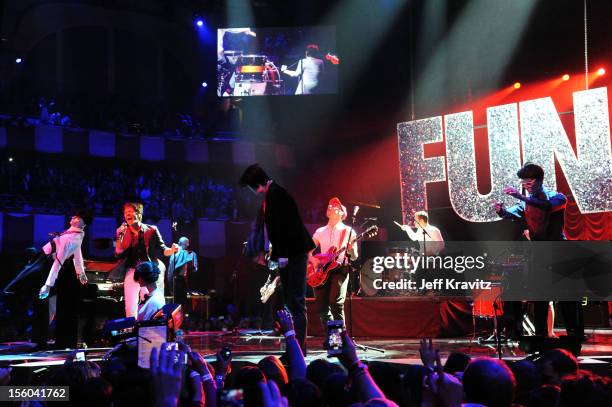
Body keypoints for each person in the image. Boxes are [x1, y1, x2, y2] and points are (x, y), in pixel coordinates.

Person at [494, 163, 583, 339]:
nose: (526, 185)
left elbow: (547, 206)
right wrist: (502, 211)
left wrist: (521, 196)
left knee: (566, 296)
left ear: (539, 181)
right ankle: (541, 336)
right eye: (523, 182)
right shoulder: (525, 203)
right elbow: (512, 213)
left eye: (529, 182)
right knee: (540, 297)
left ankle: (574, 335)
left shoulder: (558, 197)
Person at [239, 164, 315, 351]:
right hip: (291, 252)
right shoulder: (273, 194)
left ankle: (298, 349)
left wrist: (283, 255)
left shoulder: (277, 194)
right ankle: (294, 348)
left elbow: (287, 227)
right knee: (291, 302)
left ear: (257, 183)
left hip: (294, 253)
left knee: (296, 301)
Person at [37, 211, 92, 348]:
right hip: (42, 260)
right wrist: (80, 272)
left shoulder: (72, 237)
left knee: (46, 305)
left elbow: (58, 261)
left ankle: (42, 340)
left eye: (77, 217)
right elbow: (78, 252)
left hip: (43, 264)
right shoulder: (76, 234)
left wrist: (48, 285)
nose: (72, 217)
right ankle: (43, 339)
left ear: (82, 222)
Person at [115, 202, 178, 318]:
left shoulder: (151, 230)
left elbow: (163, 249)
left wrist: (172, 250)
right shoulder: (124, 232)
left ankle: (150, 327)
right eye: (125, 213)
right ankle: (131, 330)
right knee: (130, 306)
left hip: (148, 271)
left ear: (138, 213)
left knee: (150, 302)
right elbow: (118, 254)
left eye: (130, 212)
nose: (127, 214)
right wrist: (118, 237)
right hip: (132, 270)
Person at [310, 197, 358, 332]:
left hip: (340, 269)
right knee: (321, 307)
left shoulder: (348, 231)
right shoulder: (320, 231)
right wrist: (314, 261)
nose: (331, 206)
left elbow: (354, 256)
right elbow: (308, 251)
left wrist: (351, 249)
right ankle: (333, 338)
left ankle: (341, 341)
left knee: (335, 303)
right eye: (330, 205)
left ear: (342, 213)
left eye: (336, 205)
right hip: (322, 271)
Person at [167, 236, 198, 316]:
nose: (188, 246)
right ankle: (180, 319)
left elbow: (170, 272)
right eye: (187, 244)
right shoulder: (187, 253)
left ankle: (177, 319)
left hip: (175, 280)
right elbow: (194, 269)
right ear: (185, 244)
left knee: (177, 303)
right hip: (179, 281)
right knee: (181, 303)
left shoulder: (173, 254)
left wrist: (170, 284)